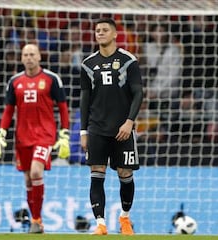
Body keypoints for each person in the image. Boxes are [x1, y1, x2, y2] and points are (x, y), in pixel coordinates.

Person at [0, 44, 70, 234]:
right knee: (28, 179)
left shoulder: (51, 79)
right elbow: (8, 110)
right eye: (25, 55)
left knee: (36, 171)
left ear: (39, 57)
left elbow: (62, 107)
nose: (29, 58)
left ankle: (36, 221)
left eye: (32, 54)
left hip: (44, 135)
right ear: (21, 58)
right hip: (23, 137)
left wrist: (64, 133)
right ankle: (37, 220)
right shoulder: (14, 82)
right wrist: (1, 133)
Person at [79, 18, 143, 235]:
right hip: (97, 128)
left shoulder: (128, 61)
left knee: (125, 173)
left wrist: (129, 121)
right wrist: (83, 130)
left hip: (122, 129)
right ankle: (100, 224)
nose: (100, 33)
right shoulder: (87, 64)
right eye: (97, 30)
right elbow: (85, 99)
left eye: (105, 30)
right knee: (97, 172)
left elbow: (138, 93)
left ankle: (125, 218)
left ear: (115, 34)